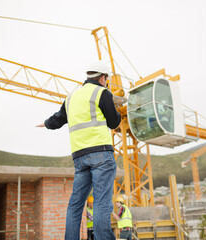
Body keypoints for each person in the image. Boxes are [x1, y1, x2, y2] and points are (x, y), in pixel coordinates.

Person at [36, 60, 121, 240]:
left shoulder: (71, 98)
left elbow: (57, 120)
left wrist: (45, 123)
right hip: (101, 155)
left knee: (75, 204)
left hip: (80, 158)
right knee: (101, 202)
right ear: (103, 78)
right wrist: (117, 111)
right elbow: (114, 122)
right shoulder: (102, 92)